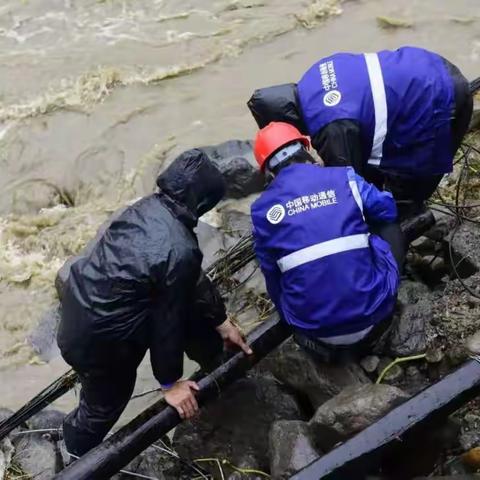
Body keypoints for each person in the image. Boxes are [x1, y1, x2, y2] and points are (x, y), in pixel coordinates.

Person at [57, 149, 253, 457]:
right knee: (105, 403)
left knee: (193, 313)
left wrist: (221, 320)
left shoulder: (149, 208)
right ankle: (74, 455)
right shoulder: (178, 247)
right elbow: (167, 325)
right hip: (99, 338)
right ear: (202, 201)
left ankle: (217, 365)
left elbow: (189, 279)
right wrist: (170, 383)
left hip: (82, 310)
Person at [248, 46, 473, 217]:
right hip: (433, 65)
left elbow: (348, 189)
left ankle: (406, 232)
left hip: (441, 100)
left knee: (407, 191)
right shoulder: (314, 73)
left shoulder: (330, 128)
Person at [250, 122, 404, 362]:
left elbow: (272, 277)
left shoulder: (261, 211)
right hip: (375, 316)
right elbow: (387, 209)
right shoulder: (344, 177)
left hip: (317, 334)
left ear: (268, 172)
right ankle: (391, 288)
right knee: (385, 226)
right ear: (307, 149)